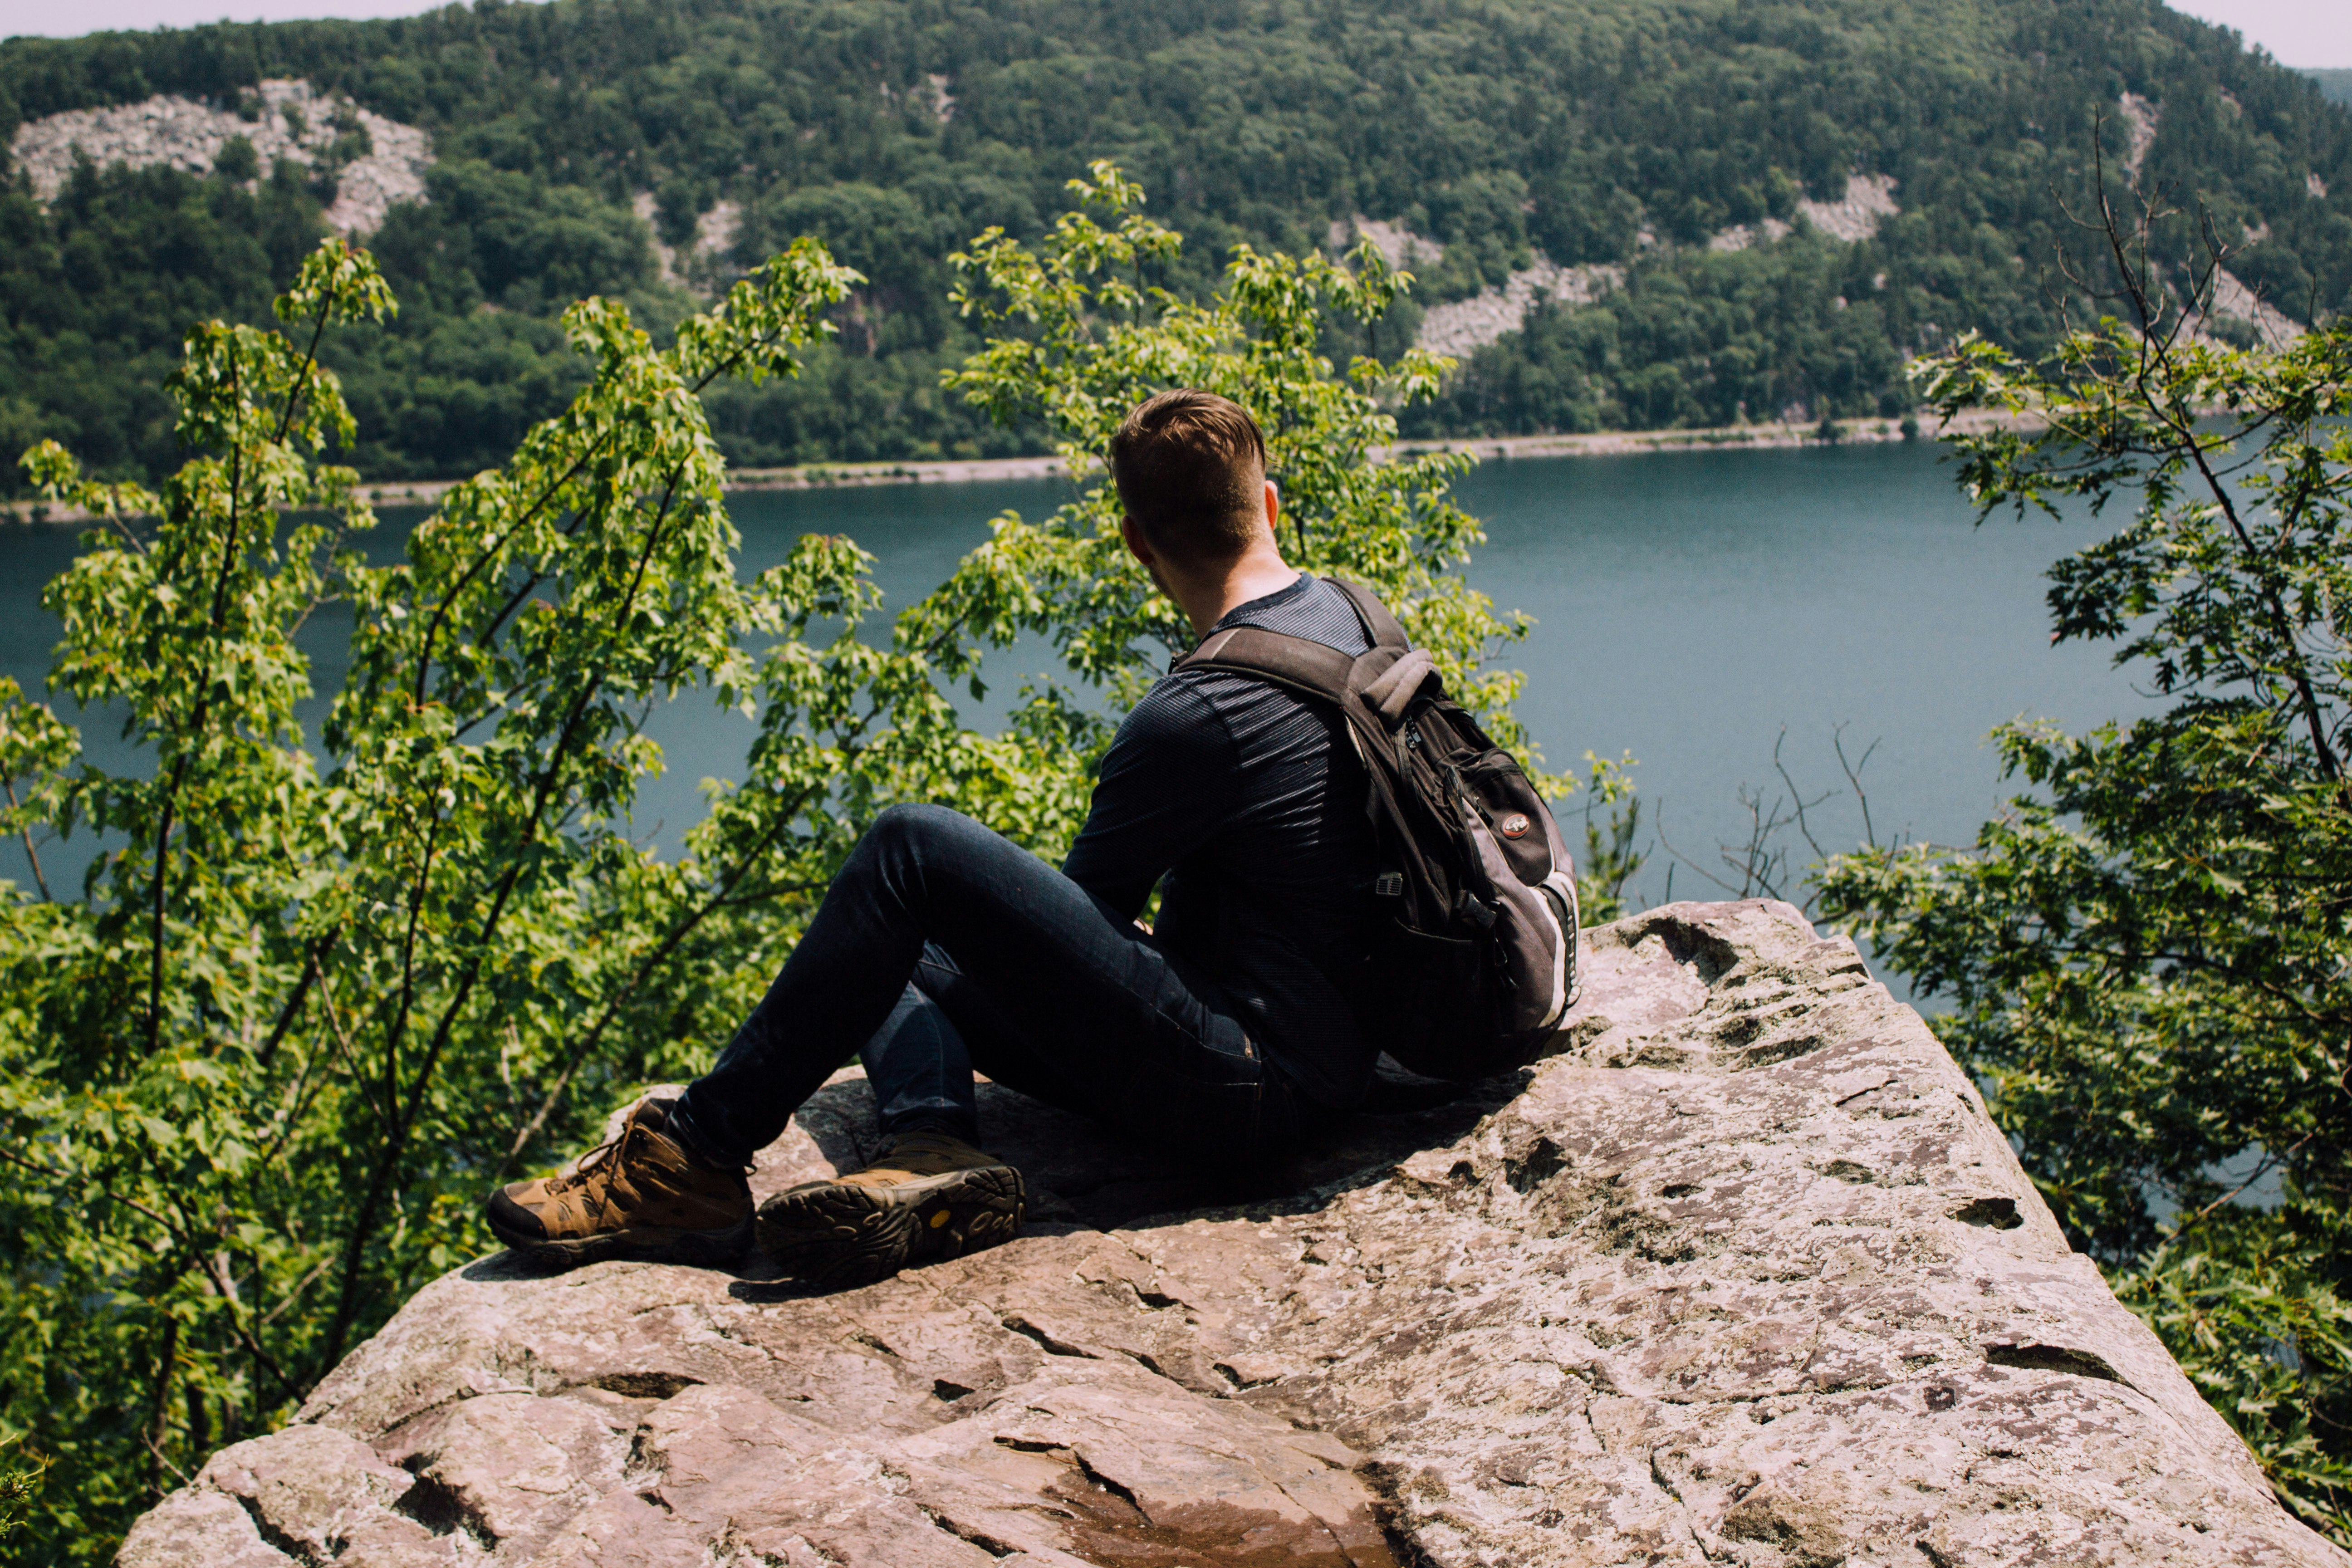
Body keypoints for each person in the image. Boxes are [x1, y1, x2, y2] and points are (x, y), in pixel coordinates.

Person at [485, 388, 1383, 1287]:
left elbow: (1062, 944)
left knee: (907, 852)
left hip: (1258, 1093)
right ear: (1269, 505)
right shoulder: (1355, 618)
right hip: (1347, 1056)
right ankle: (933, 1148)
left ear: (1136, 542)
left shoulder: (1196, 712)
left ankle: (691, 1159)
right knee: (879, 944)